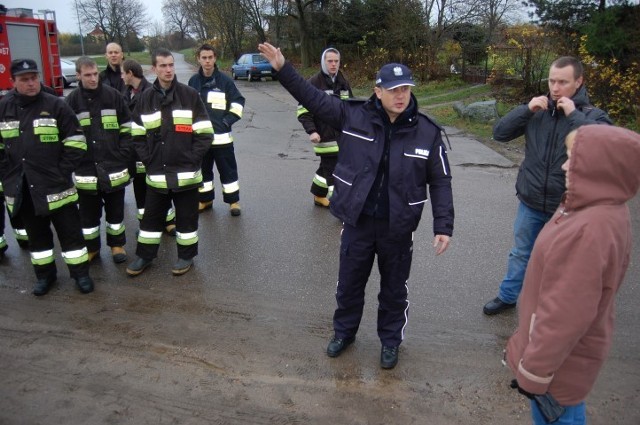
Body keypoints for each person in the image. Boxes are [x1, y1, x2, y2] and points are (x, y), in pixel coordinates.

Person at [258, 42, 454, 369]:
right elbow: (313, 99)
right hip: (358, 222)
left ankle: (390, 341)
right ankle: (344, 333)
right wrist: (283, 68)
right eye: (393, 89)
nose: (401, 95)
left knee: (394, 291)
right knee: (349, 285)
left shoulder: (427, 132)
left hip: (398, 228)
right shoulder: (354, 116)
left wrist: (443, 225)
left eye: (405, 88)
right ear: (378, 92)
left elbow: (441, 180)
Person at [506, 124, 640, 425]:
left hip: (558, 368)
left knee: (562, 416)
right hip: (567, 361)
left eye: (572, 158)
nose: (564, 165)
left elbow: (564, 315)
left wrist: (534, 372)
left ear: (600, 168)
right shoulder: (596, 208)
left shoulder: (591, 228)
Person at [483, 56, 612, 315]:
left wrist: (573, 115)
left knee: (562, 261)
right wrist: (525, 110)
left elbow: (605, 146)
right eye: (552, 81)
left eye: (562, 82)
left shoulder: (591, 115)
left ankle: (552, 308)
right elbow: (499, 133)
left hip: (567, 206)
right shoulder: (538, 111)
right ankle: (508, 297)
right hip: (530, 199)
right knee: (521, 253)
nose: (555, 88)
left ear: (579, 82)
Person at [0, 59, 94, 295]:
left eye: (34, 78)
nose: (31, 83)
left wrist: (61, 171)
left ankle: (81, 275)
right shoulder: (4, 107)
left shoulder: (55, 105)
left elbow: (76, 141)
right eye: (24, 79)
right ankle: (45, 276)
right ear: (13, 82)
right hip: (24, 189)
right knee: (38, 240)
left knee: (71, 237)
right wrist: (8, 174)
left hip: (57, 187)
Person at [126, 48, 213, 277]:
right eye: (163, 66)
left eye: (171, 65)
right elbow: (136, 135)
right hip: (157, 176)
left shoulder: (190, 95)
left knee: (186, 221)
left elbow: (205, 133)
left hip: (186, 176)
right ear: (154, 69)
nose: (168, 70)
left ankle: (186, 256)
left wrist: (191, 159)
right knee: (151, 220)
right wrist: (149, 159)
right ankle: (144, 256)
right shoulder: (144, 99)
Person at [66, 56, 132, 263]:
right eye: (88, 75)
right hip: (86, 170)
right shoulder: (71, 102)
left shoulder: (113, 96)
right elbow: (65, 136)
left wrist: (122, 154)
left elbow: (127, 128)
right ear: (78, 76)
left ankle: (117, 245)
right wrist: (74, 161)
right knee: (88, 217)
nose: (93, 79)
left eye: (95, 74)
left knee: (115, 213)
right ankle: (92, 248)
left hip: (114, 167)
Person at [188, 44, 245, 216]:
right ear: (198, 58)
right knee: (203, 172)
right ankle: (205, 200)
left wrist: (227, 121)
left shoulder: (225, 81)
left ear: (215, 58)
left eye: (210, 57)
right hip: (200, 139)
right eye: (204, 57)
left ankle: (233, 202)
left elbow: (238, 102)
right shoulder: (193, 82)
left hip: (222, 139)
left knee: (228, 172)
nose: (207, 61)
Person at [121, 59, 176, 235]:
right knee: (140, 192)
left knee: (161, 189)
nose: (122, 77)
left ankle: (168, 222)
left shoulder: (149, 92)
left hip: (153, 152)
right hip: (136, 152)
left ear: (130, 73)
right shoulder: (127, 93)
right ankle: (146, 225)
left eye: (123, 73)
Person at [296, 47, 353, 207]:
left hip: (342, 137)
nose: (333, 64)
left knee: (326, 168)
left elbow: (351, 108)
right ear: (323, 62)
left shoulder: (343, 82)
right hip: (324, 137)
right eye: (330, 61)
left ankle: (318, 194)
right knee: (334, 172)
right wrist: (312, 131)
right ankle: (340, 206)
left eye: (336, 61)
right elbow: (303, 111)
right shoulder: (314, 83)